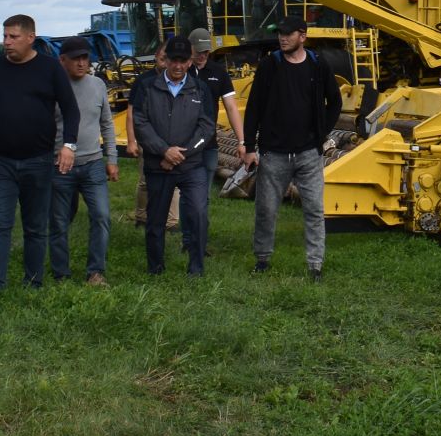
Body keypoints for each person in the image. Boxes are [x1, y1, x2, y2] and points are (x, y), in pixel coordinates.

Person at [0, 16, 77, 289]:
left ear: (31, 37)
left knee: (35, 226)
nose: (6, 42)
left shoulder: (50, 69)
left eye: (13, 37)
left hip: (38, 160)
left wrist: (69, 145)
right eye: (5, 36)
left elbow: (70, 109)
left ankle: (33, 282)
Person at [241, 16, 343, 280]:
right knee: (266, 209)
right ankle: (262, 259)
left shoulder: (318, 65)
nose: (282, 38)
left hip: (309, 154)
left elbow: (335, 101)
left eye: (287, 33)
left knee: (314, 210)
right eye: (279, 34)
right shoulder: (269, 66)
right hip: (274, 154)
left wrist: (321, 134)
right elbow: (253, 108)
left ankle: (315, 265)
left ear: (302, 36)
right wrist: (249, 146)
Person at [128, 34, 216, 277]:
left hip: (192, 166)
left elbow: (207, 126)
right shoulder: (147, 87)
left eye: (183, 60)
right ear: (164, 60)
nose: (178, 66)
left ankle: (196, 268)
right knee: (156, 219)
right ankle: (155, 268)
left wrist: (181, 153)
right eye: (173, 60)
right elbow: (140, 122)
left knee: (198, 212)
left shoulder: (201, 89)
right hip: (159, 165)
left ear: (190, 62)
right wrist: (163, 150)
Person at [50, 37, 119, 285]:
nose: (81, 63)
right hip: (61, 166)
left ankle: (95, 271)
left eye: (85, 57)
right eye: (76, 58)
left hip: (92, 164)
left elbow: (107, 124)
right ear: (62, 60)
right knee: (59, 221)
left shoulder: (98, 85)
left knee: (101, 215)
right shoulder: (53, 87)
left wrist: (112, 158)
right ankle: (61, 273)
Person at [186, 28, 246, 254]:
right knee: (187, 192)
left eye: (206, 52)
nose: (202, 56)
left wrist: (242, 140)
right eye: (198, 51)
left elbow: (231, 107)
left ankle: (199, 240)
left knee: (203, 194)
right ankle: (188, 238)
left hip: (209, 143)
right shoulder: (183, 70)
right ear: (190, 48)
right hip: (185, 143)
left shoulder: (218, 72)